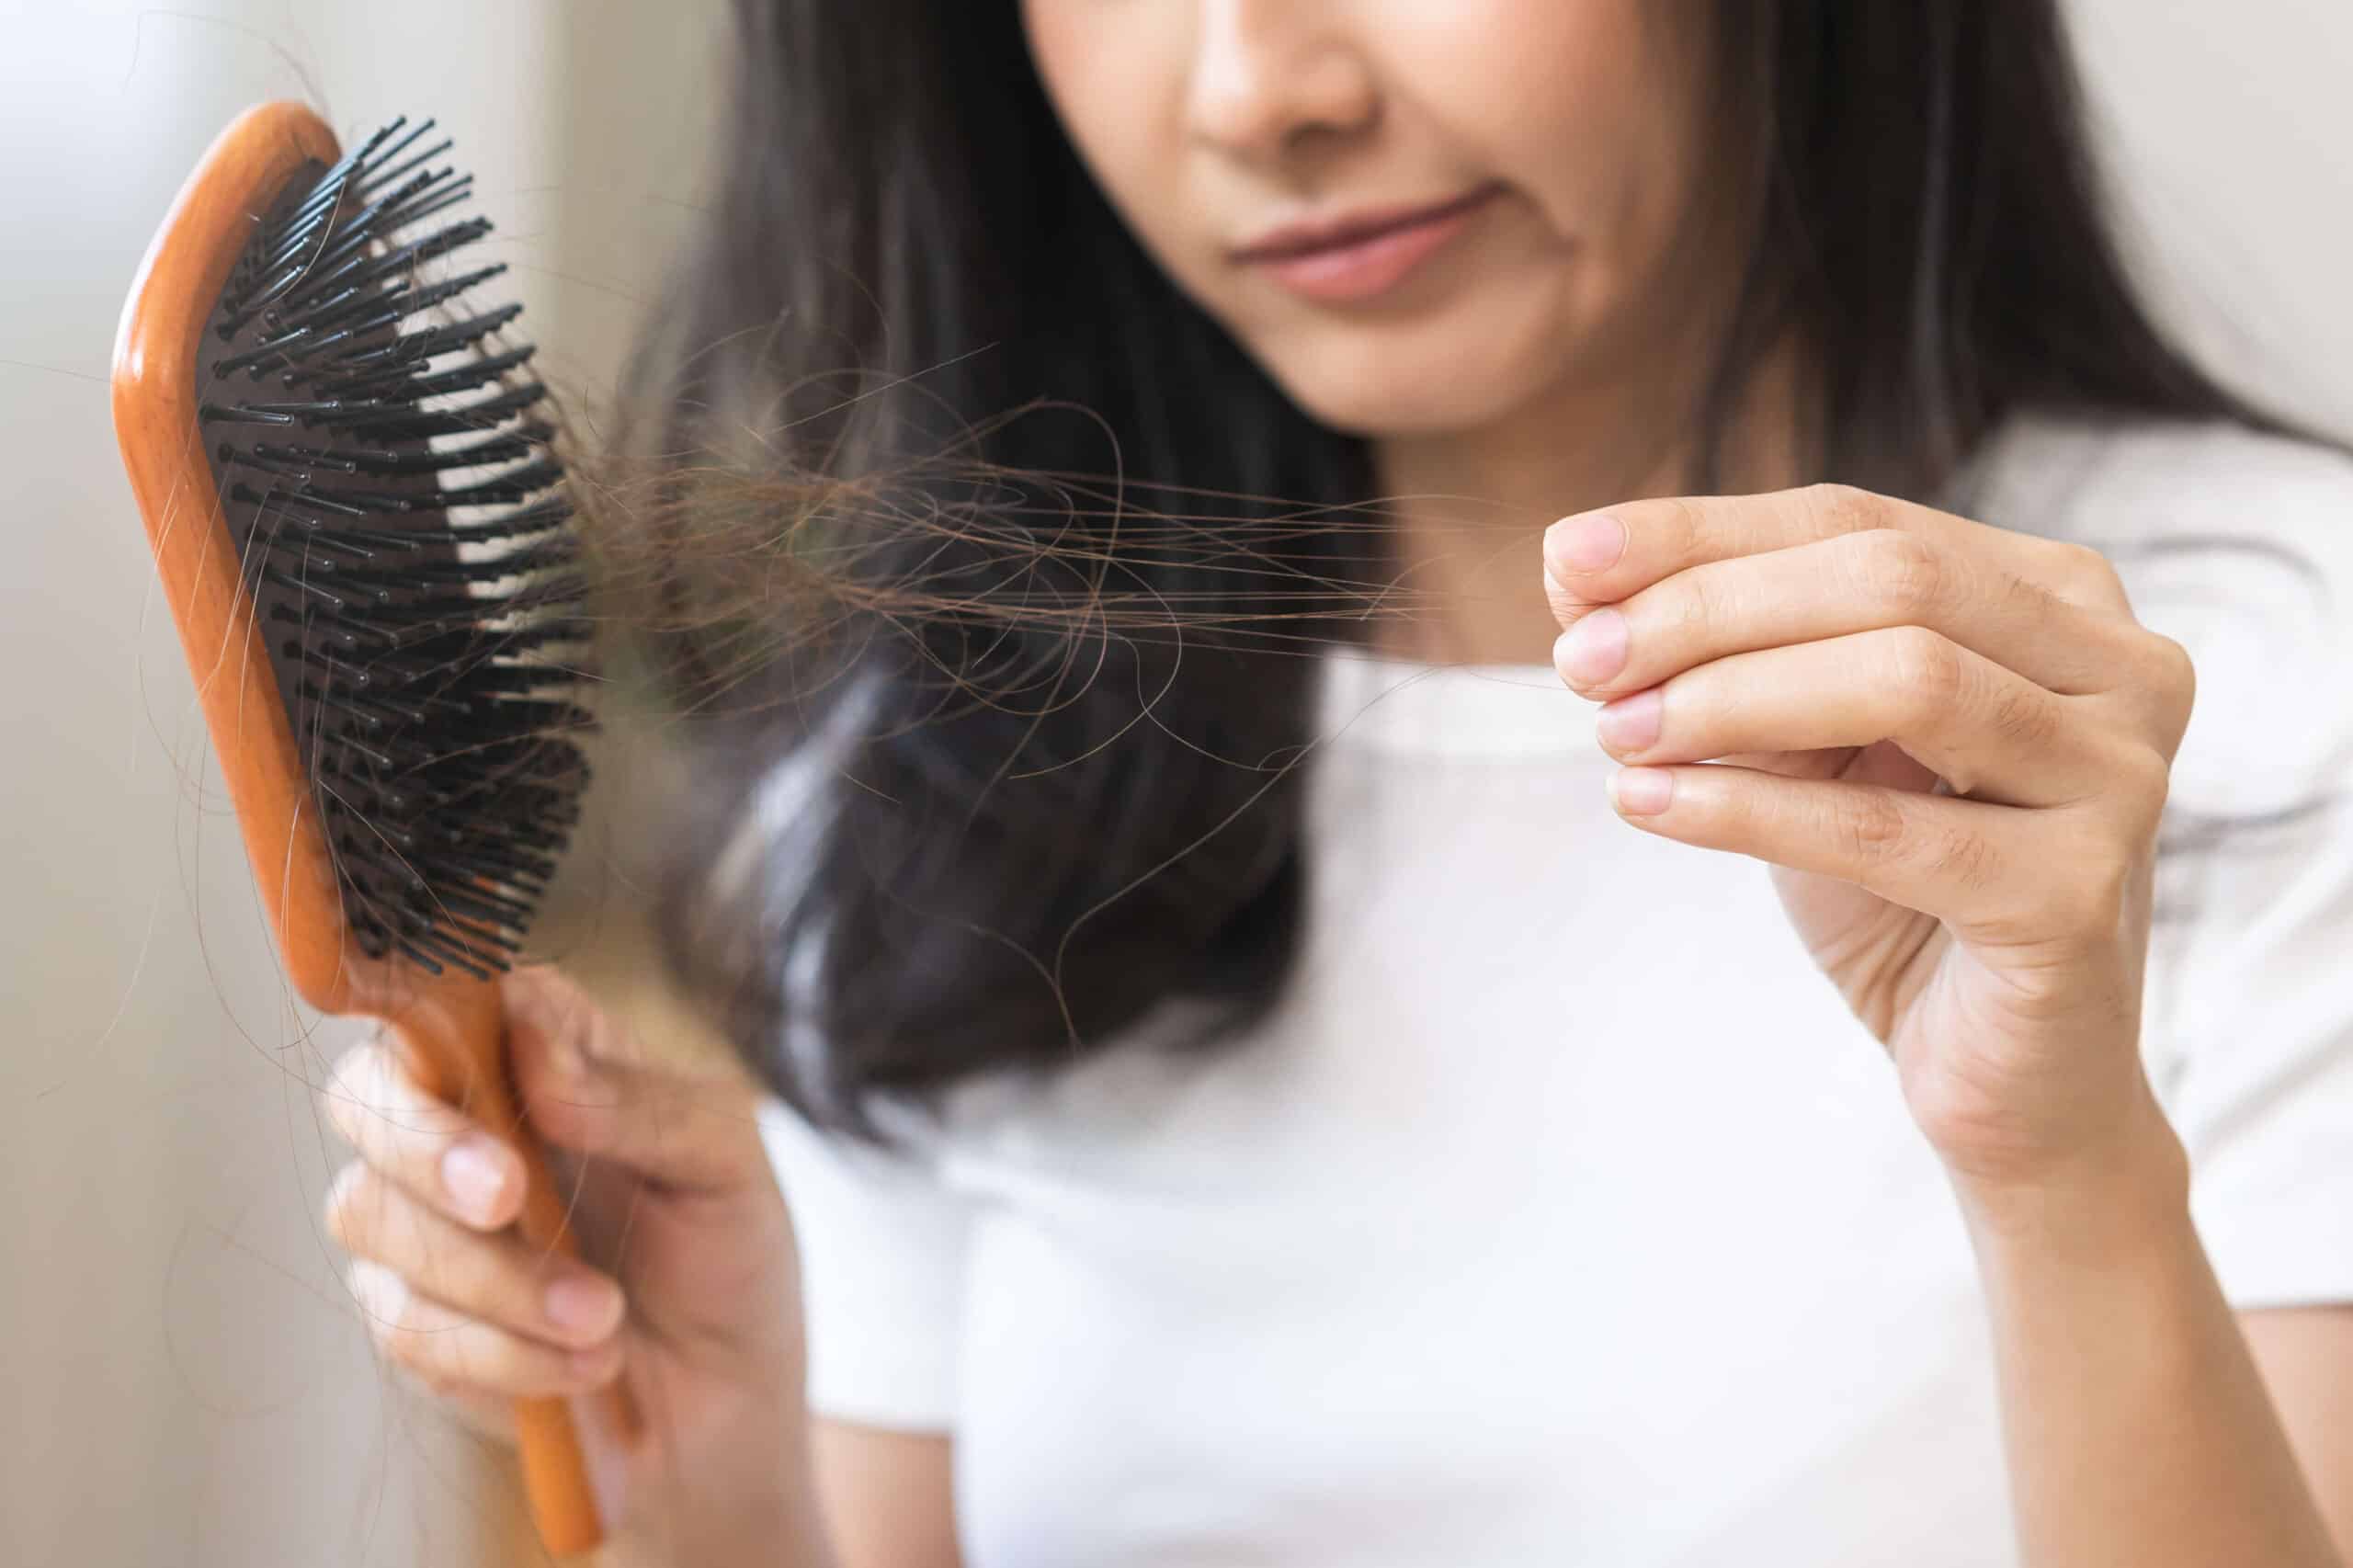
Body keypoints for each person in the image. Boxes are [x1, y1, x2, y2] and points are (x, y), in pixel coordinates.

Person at [315, 3, 2353, 1563]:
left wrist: (2062, 1175)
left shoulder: (2261, 672)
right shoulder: (936, 781)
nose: (1255, 89)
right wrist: (723, 1491)